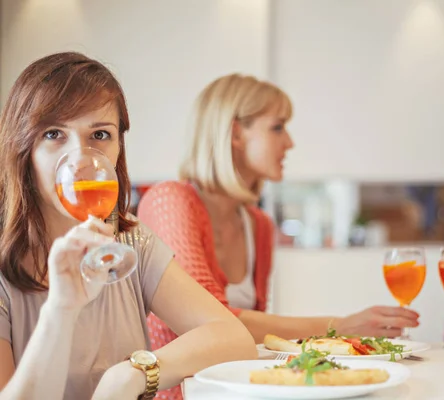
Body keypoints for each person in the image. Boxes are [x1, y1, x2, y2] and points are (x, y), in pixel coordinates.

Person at [138, 73, 420, 399]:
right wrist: (338, 326)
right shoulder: (170, 200)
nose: (290, 142)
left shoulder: (259, 225)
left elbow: (253, 342)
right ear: (234, 133)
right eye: (277, 127)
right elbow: (217, 326)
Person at [0, 52, 257, 400]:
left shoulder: (133, 243)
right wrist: (61, 308)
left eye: (100, 134)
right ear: (22, 147)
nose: (81, 161)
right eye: (54, 134)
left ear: (119, 148)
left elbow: (232, 336)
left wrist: (135, 372)